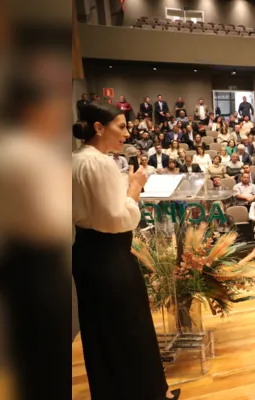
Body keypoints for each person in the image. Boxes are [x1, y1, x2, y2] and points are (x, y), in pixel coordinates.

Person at [72, 104, 180, 400]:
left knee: (103, 333)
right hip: (110, 257)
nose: (127, 133)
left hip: (88, 253)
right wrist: (134, 188)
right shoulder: (99, 163)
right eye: (121, 126)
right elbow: (116, 221)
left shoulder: (77, 159)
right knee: (130, 328)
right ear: (98, 127)